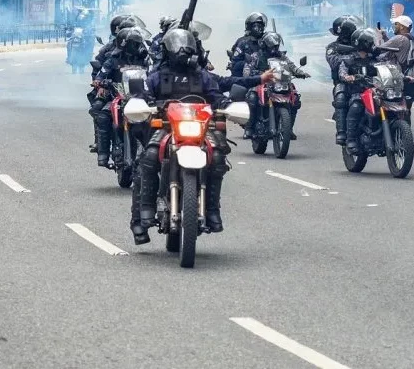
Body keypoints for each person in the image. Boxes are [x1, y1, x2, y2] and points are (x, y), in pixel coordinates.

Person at [131, 28, 270, 243]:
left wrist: (227, 106)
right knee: (149, 157)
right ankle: (146, 210)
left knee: (216, 157)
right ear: (168, 50)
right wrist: (147, 104)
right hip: (167, 127)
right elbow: (144, 94)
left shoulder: (202, 76)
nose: (183, 52)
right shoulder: (157, 76)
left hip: (199, 128)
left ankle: (212, 210)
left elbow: (216, 96)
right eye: (178, 47)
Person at [92, 27, 151, 167]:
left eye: (138, 43)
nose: (137, 46)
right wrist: (99, 82)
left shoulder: (144, 58)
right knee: (103, 116)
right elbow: (102, 72)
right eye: (134, 43)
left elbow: (152, 72)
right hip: (118, 96)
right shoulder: (113, 59)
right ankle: (103, 154)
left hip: (139, 96)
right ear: (125, 44)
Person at [244, 31, 310, 140]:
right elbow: (247, 70)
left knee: (295, 99)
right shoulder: (256, 56)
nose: (274, 48)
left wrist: (300, 72)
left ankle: (288, 129)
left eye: (276, 46)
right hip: (261, 82)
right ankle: (249, 127)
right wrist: (254, 74)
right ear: (264, 45)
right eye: (272, 46)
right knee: (252, 97)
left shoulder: (281, 56)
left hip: (278, 82)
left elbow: (291, 66)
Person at [340, 28, 383, 154]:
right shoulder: (349, 60)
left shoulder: (375, 59)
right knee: (356, 107)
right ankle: (351, 139)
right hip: (358, 92)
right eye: (372, 41)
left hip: (376, 92)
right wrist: (349, 77)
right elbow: (342, 72)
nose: (373, 44)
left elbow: (387, 67)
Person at [379, 15, 414, 118]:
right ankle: (405, 132)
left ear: (402, 27)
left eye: (396, 24)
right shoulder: (410, 38)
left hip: (403, 80)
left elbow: (380, 49)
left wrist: (376, 40)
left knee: (397, 111)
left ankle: (401, 132)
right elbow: (394, 47)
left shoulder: (399, 38)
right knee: (406, 111)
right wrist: (384, 36)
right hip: (412, 81)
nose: (394, 26)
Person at [327, 15, 360, 144]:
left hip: (362, 80)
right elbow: (333, 61)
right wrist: (351, 57)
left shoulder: (360, 43)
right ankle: (341, 132)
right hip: (343, 82)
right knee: (340, 96)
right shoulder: (333, 47)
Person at [229, 12, 267, 76]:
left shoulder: (266, 40)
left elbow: (274, 53)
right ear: (250, 26)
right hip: (248, 77)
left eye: (262, 25)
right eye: (258, 25)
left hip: (267, 74)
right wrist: (248, 64)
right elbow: (235, 63)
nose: (260, 28)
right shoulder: (242, 42)